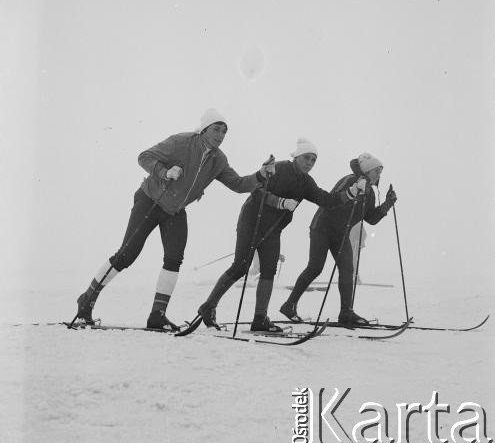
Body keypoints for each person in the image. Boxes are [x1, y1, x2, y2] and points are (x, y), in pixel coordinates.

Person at [76, 108, 274, 330]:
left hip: (175, 211)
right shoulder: (181, 142)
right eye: (216, 129)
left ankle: (157, 315)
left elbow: (237, 184)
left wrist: (260, 175)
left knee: (174, 258)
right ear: (204, 129)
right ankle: (87, 300)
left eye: (224, 132)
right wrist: (165, 172)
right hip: (150, 200)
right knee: (126, 255)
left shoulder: (219, 160)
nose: (220, 135)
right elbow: (144, 157)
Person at [197, 138, 364, 333]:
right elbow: (257, 190)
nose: (309, 163)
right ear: (296, 157)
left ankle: (260, 318)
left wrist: (351, 193)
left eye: (313, 160)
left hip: (274, 229)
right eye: (306, 158)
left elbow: (326, 200)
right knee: (240, 266)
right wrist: (280, 202)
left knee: (269, 270)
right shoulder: (280, 168)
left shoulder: (306, 182)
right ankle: (208, 306)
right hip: (252, 222)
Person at [279, 153, 397, 326]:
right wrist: (354, 194)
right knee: (315, 267)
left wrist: (387, 203)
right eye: (376, 170)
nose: (379, 174)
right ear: (367, 170)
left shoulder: (370, 192)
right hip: (322, 228)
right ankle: (289, 305)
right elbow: (333, 200)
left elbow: (371, 218)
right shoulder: (350, 180)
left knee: (347, 269)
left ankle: (346, 312)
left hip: (341, 232)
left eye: (381, 171)